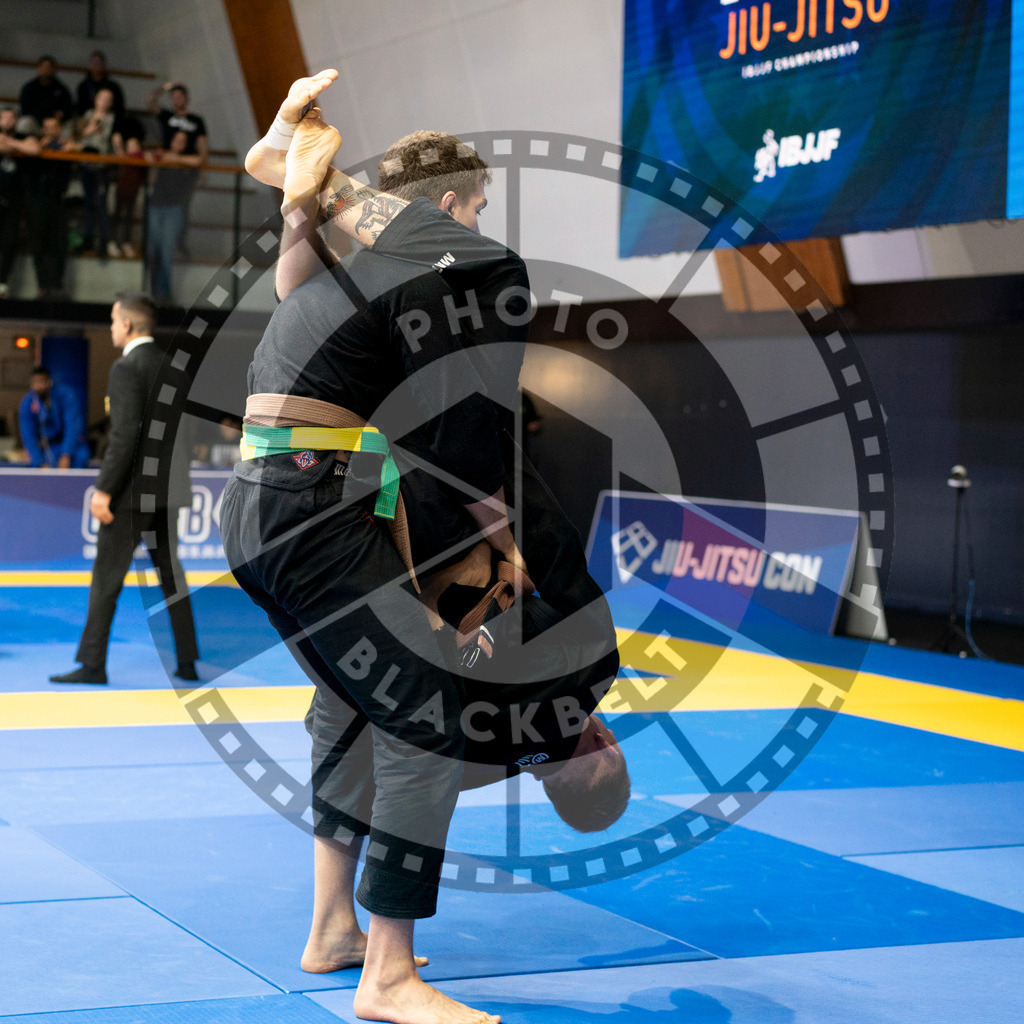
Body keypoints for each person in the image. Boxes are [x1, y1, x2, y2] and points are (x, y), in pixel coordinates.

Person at [230, 74, 623, 1024]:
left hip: (277, 500)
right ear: (447, 207)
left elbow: (294, 282)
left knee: (350, 705)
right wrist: (496, 528)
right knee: (420, 721)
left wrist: (301, 209)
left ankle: (335, 930)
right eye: (474, 205)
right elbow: (464, 442)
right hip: (311, 502)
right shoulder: (449, 271)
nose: (479, 219)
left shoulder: (346, 283)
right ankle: (389, 979)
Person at [50, 293, 199, 685]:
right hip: (169, 492)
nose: (112, 327)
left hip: (131, 495)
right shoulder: (176, 369)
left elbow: (125, 436)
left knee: (106, 579)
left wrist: (102, 489)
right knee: (172, 578)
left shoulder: (125, 369)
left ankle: (92, 663)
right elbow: (181, 438)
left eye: (114, 321)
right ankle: (187, 662)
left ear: (128, 325)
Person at [145, 130, 198, 303]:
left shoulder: (188, 160)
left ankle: (164, 295)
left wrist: (175, 159)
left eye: (183, 140)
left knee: (167, 252)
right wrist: (156, 162)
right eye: (177, 139)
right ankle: (153, 292)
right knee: (153, 251)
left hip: (174, 209)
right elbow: (152, 177)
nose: (180, 143)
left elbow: (198, 161)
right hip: (156, 205)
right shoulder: (162, 156)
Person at [25, 115, 72, 300]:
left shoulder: (65, 146)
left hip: (58, 199)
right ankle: (43, 286)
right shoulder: (36, 146)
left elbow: (81, 148)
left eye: (54, 127)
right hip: (38, 200)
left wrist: (67, 145)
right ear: (43, 130)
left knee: (60, 244)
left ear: (59, 129)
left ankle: (57, 285)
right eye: (47, 128)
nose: (51, 131)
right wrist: (43, 144)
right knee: (39, 245)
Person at [69, 86, 118, 257]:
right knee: (89, 204)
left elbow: (114, 141)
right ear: (96, 99)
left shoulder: (112, 119)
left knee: (102, 203)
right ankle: (88, 239)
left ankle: (106, 241)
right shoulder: (88, 116)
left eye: (108, 99)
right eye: (101, 97)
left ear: (110, 103)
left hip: (102, 166)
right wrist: (88, 130)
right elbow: (75, 137)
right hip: (86, 164)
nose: (104, 102)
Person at [0, 105, 39, 299]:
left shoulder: (23, 135)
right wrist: (16, 145)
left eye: (11, 118)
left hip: (15, 199)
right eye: (3, 118)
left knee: (10, 241)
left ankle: (2, 282)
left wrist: (10, 142)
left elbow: (34, 148)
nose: (7, 122)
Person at [18, 366, 91, 468]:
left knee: (80, 457)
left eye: (41, 382)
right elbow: (28, 435)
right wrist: (39, 462)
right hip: (47, 446)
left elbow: (73, 426)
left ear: (49, 382)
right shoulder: (27, 402)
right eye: (34, 383)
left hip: (69, 444)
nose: (38, 386)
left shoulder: (66, 395)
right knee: (34, 464)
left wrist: (66, 454)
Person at [18, 56, 74, 129]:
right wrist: (42, 118)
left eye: (49, 67)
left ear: (54, 69)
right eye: (43, 67)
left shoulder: (61, 89)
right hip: (36, 123)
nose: (46, 70)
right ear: (38, 68)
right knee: (24, 122)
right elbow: (25, 111)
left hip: (56, 124)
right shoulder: (29, 88)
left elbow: (68, 110)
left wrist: (60, 116)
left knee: (70, 125)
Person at [75, 50, 125, 120]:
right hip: (88, 119)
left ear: (104, 66)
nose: (96, 66)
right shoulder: (83, 86)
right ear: (89, 66)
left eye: (99, 63)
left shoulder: (113, 87)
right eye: (93, 63)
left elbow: (119, 109)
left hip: (109, 119)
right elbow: (81, 108)